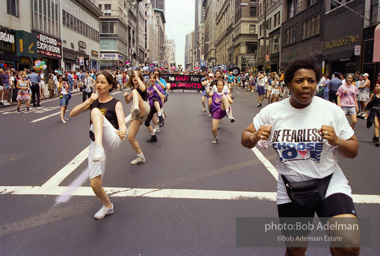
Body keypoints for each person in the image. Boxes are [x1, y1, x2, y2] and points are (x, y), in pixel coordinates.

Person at [241, 59, 360, 256]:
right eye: (299, 81)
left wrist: (337, 140)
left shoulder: (330, 110)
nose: (306, 85)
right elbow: (245, 138)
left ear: (317, 83)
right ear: (288, 84)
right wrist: (255, 136)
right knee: (296, 249)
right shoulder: (272, 112)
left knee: (348, 245)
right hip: (291, 187)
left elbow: (353, 149)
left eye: (311, 81)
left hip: (329, 182)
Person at [70, 71, 126, 219]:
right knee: (95, 184)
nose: (99, 85)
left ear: (110, 85)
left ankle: (99, 147)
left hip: (112, 138)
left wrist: (124, 131)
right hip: (95, 142)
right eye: (97, 82)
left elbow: (122, 123)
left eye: (102, 82)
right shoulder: (92, 102)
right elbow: (72, 114)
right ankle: (108, 206)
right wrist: (88, 102)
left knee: (95, 112)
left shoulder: (116, 103)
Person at [124, 70, 150, 164]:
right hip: (137, 114)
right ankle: (140, 156)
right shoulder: (133, 90)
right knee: (130, 137)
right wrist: (125, 96)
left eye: (137, 76)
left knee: (135, 91)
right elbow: (127, 101)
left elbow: (143, 88)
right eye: (133, 76)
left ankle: (136, 107)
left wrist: (138, 77)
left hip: (144, 107)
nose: (135, 78)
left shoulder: (141, 85)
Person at [210, 80, 235, 144]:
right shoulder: (214, 93)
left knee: (224, 97)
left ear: (223, 87)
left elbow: (232, 102)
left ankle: (227, 112)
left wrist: (226, 97)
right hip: (216, 111)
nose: (220, 87)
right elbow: (210, 94)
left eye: (221, 85)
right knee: (214, 129)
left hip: (223, 109)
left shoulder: (225, 94)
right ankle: (216, 138)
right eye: (219, 85)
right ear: (217, 86)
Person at [144, 73, 166, 142]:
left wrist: (156, 89)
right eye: (150, 78)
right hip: (151, 107)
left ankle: (160, 115)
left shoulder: (158, 86)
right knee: (146, 122)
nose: (152, 79)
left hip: (158, 104)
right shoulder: (148, 88)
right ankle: (153, 137)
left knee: (154, 100)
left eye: (153, 78)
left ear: (155, 80)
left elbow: (162, 97)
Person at [365, 82, 380, 147]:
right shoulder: (373, 95)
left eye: (377, 86)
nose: (376, 88)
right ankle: (377, 140)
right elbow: (369, 104)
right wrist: (366, 112)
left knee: (378, 126)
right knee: (376, 125)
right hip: (374, 111)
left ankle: (375, 136)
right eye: (375, 86)